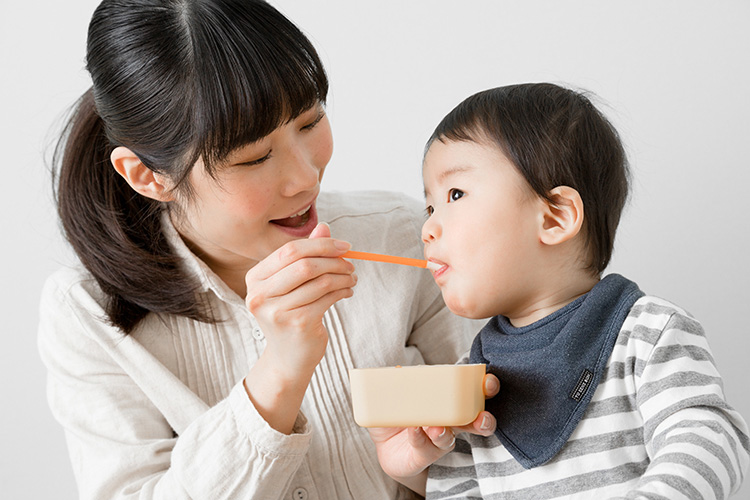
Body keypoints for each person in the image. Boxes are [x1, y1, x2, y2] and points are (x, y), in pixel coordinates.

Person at [38, 1, 497, 498]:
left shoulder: (405, 235)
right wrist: (279, 373)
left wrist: (417, 470)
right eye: (254, 157)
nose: (305, 177)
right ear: (148, 176)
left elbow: (507, 466)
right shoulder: (88, 314)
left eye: (309, 122)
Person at [369, 83, 750, 498]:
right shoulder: (468, 384)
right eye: (430, 207)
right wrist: (412, 472)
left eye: (455, 194)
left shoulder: (648, 334)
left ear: (554, 219)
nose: (427, 228)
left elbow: (710, 440)